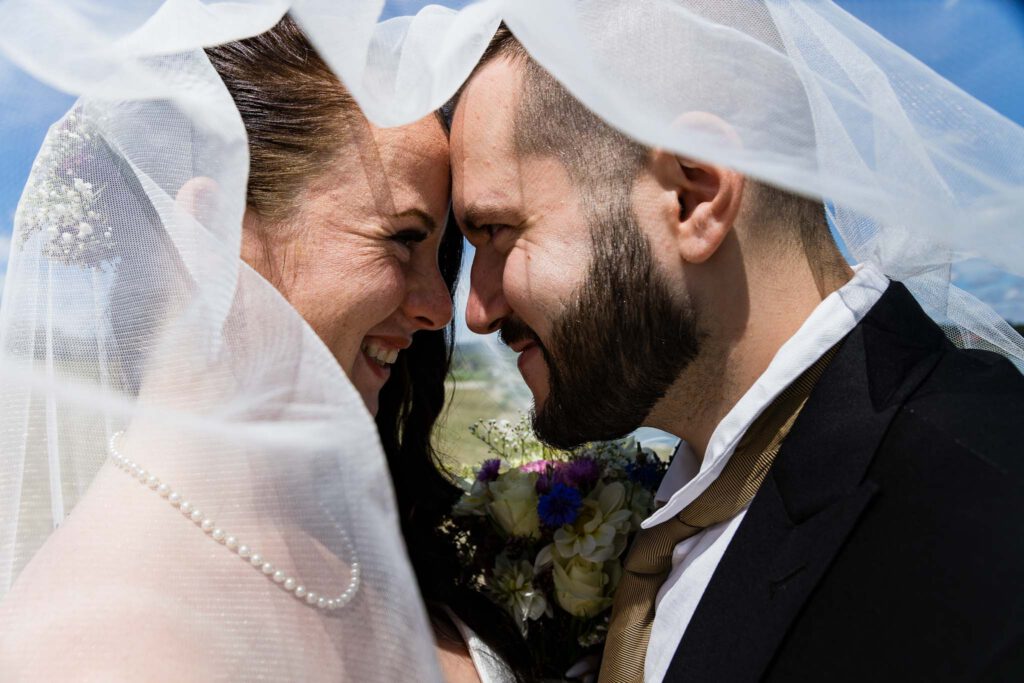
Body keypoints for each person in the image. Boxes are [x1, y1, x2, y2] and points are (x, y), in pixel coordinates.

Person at [450, 24, 1024, 683]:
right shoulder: (681, 509)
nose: (476, 308)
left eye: (496, 231)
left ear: (693, 197)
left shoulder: (985, 513)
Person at [0, 14, 492, 682]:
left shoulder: (379, 525)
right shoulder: (100, 642)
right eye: (404, 238)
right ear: (211, 229)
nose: (440, 305)